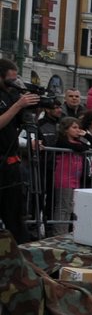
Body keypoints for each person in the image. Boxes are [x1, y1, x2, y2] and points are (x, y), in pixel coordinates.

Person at [0, 60, 42, 241]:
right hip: (2, 162)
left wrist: (30, 103)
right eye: (9, 80)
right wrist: (18, 105)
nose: (12, 83)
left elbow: (18, 123)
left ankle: (21, 247)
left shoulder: (10, 95)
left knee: (15, 216)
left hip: (11, 164)